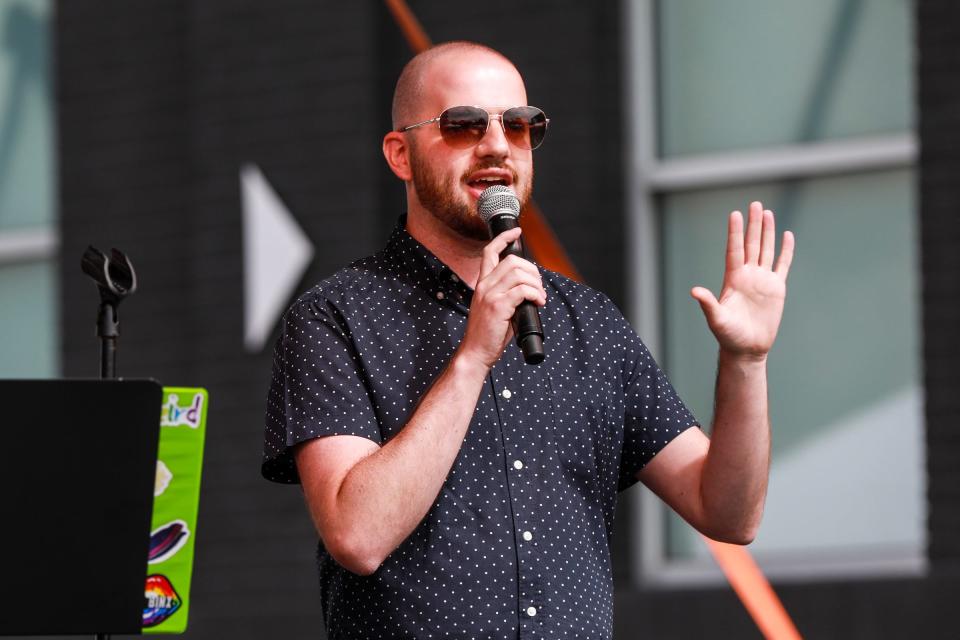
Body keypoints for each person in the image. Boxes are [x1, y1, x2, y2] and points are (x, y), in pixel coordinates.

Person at [262, 41, 794, 640]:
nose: (495, 145)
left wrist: (746, 363)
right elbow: (357, 537)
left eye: (518, 126)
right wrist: (473, 357)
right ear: (400, 154)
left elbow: (728, 511)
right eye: (463, 125)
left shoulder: (587, 320)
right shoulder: (336, 316)